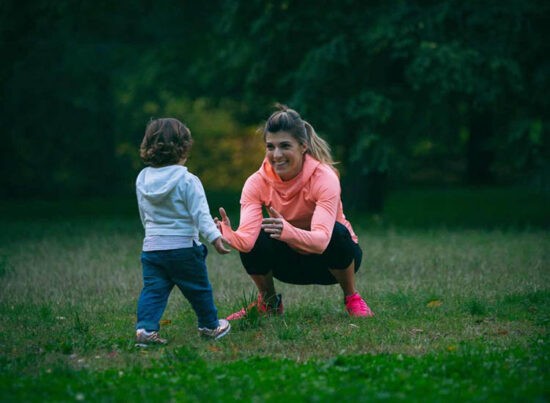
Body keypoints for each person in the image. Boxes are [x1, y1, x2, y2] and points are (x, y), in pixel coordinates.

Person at [215, 105, 374, 319]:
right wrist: (232, 237)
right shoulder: (255, 182)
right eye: (270, 147)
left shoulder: (324, 177)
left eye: (284, 146)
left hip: (330, 263)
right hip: (287, 265)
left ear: (303, 146)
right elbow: (248, 240)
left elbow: (321, 242)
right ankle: (268, 303)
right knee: (257, 236)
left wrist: (288, 231)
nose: (276, 154)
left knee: (337, 233)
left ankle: (352, 297)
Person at [134, 117, 231, 346]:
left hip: (153, 249)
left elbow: (144, 214)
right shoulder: (188, 180)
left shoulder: (142, 178)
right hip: (183, 250)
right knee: (198, 289)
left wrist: (151, 237)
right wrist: (215, 238)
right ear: (183, 148)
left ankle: (145, 330)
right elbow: (201, 214)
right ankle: (210, 325)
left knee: (153, 291)